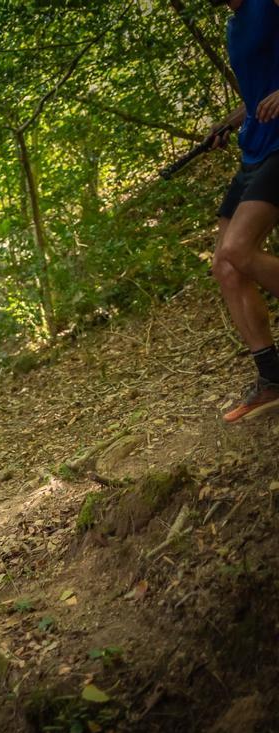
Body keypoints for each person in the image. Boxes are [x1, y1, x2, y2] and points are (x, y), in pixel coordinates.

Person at [208, 0, 279, 422]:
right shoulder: (234, 26)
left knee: (239, 248)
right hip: (254, 149)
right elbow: (256, 93)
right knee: (225, 265)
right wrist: (231, 120)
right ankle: (272, 378)